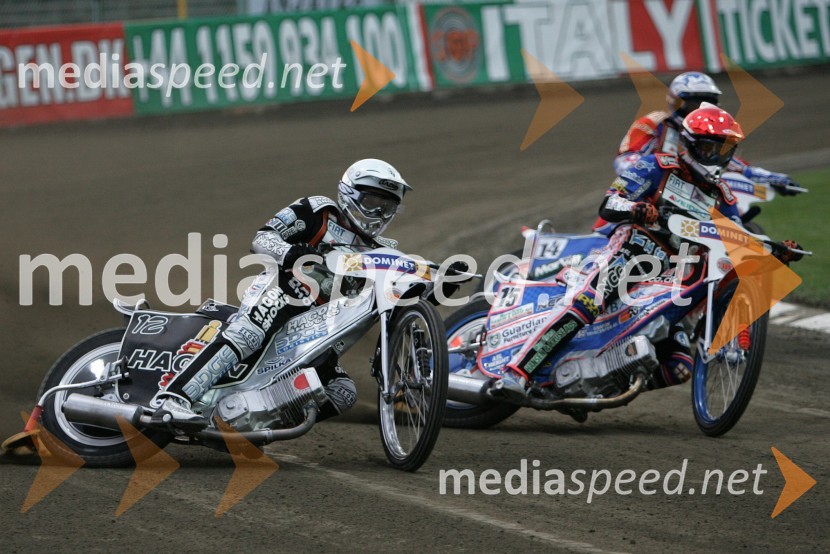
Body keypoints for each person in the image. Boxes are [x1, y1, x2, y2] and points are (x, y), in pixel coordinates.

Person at [497, 105, 802, 401]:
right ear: (690, 145)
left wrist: (775, 250)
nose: (719, 157)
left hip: (680, 275)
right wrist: (637, 209)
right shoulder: (656, 165)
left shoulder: (722, 196)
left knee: (680, 366)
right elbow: (610, 203)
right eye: (712, 148)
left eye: (725, 150)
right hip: (634, 251)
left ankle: (600, 385)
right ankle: (517, 372)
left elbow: (738, 235)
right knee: (587, 303)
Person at [155, 159, 412, 427]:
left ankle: (254, 424)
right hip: (283, 292)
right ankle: (174, 398)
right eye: (373, 203)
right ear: (351, 193)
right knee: (247, 334)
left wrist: (441, 285)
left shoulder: (384, 250)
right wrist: (290, 252)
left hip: (317, 328)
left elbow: (402, 290)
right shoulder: (318, 210)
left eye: (388, 207)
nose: (380, 214)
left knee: (343, 392)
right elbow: (262, 239)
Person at [610, 72, 800, 222]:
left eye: (705, 103)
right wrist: (651, 170)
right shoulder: (655, 122)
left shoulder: (710, 133)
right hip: (651, 194)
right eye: (693, 104)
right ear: (676, 102)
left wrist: (772, 178)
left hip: (692, 194)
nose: (698, 109)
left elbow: (735, 165)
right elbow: (625, 159)